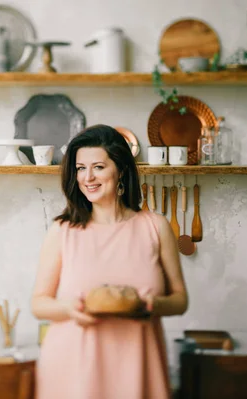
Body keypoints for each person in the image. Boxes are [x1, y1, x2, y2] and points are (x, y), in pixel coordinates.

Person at [31, 124, 188, 399]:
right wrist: (72, 309)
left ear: (122, 171)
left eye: (98, 167)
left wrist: (153, 305)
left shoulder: (155, 227)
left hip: (138, 366)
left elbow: (180, 300)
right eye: (80, 168)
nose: (87, 177)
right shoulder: (63, 230)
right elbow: (39, 303)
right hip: (73, 370)